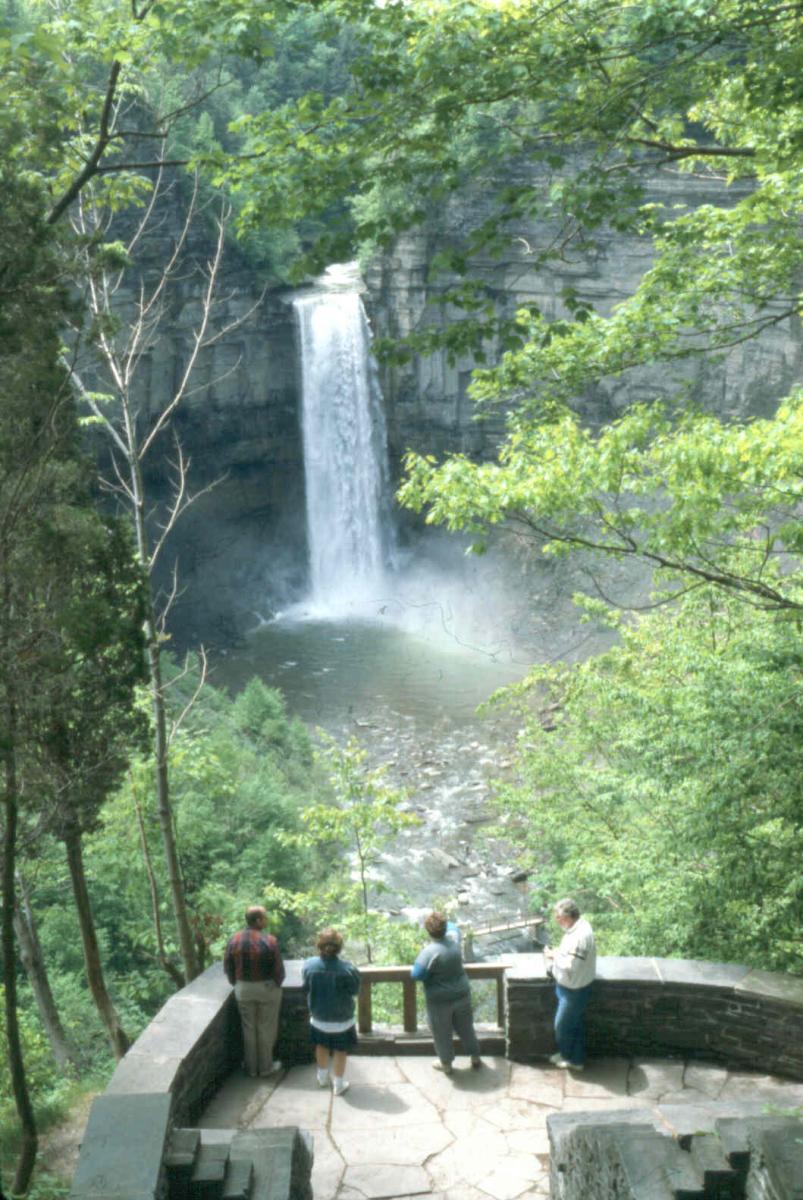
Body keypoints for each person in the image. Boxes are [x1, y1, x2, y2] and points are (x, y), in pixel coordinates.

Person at [411, 911, 482, 1076]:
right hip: (462, 994)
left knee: (441, 1032)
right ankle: (475, 1056)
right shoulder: (454, 942)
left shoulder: (429, 952)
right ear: (444, 928)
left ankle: (446, 1064)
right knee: (466, 1028)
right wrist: (443, 921)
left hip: (440, 1000)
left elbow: (416, 975)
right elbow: (453, 927)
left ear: (428, 931)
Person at [224, 905, 285, 1078]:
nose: (266, 920)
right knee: (265, 1027)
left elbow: (228, 966)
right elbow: (279, 971)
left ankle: (251, 1069)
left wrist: (236, 983)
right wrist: (275, 985)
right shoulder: (270, 941)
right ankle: (265, 1068)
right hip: (266, 988)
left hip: (243, 988)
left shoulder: (233, 940)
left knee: (248, 1028)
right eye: (265, 917)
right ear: (258, 920)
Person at [302, 928, 361, 1096]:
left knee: (321, 1045)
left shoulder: (309, 966)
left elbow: (305, 987)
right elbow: (355, 990)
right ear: (339, 947)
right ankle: (339, 1084)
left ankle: (322, 1077)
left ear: (319, 945)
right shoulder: (347, 969)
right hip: (342, 1020)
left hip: (319, 1018)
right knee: (340, 1050)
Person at [544, 897, 596, 1071]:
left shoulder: (580, 936)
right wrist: (559, 952)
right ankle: (576, 1058)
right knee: (575, 1024)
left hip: (574, 990)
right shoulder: (578, 927)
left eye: (559, 917)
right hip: (570, 986)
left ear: (568, 916)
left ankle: (570, 1059)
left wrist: (553, 956)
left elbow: (571, 965)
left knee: (562, 1026)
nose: (557, 921)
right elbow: (572, 956)